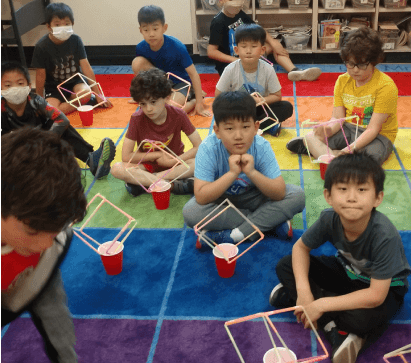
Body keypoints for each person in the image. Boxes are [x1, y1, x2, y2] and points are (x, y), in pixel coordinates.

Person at [1, 128, 107, 363]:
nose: (45, 245)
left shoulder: (50, 234)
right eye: (33, 232)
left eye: (57, 228)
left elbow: (51, 306)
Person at [270, 153, 411, 363]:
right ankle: (329, 324)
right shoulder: (329, 219)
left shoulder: (385, 235)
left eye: (362, 190)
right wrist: (304, 291)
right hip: (347, 273)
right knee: (285, 265)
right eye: (343, 189)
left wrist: (319, 305)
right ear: (328, 195)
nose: (352, 197)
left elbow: (375, 296)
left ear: (378, 198)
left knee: (359, 319)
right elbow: (300, 248)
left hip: (385, 289)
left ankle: (309, 306)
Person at [182, 91, 305, 244]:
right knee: (191, 212)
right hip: (221, 200)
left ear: (255, 127)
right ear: (217, 131)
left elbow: (279, 193)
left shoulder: (261, 146)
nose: (238, 135)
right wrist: (232, 173)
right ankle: (269, 222)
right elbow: (201, 196)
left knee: (297, 195)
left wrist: (251, 172)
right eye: (229, 129)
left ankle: (235, 235)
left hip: (255, 197)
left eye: (245, 127)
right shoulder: (208, 148)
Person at [286, 26, 397, 164]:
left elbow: (373, 129)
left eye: (362, 65)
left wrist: (347, 150)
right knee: (310, 137)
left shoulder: (386, 86)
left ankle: (329, 156)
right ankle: (335, 158)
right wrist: (328, 130)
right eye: (350, 64)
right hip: (348, 129)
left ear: (374, 62)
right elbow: (338, 118)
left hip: (379, 136)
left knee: (370, 160)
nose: (355, 70)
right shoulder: (342, 81)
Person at [1, 61, 115, 179]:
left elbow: (62, 119)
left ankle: (92, 160)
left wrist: (46, 140)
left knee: (56, 124)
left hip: (41, 145)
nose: (15, 89)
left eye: (20, 83)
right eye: (8, 85)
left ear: (29, 86)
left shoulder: (36, 101)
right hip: (17, 153)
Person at [206, 0, 321, 82]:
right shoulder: (218, 22)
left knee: (274, 46)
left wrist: (274, 43)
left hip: (246, 54)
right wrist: (235, 60)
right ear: (221, 0)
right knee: (259, 78)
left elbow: (258, 29)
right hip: (231, 65)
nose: (235, 2)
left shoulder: (239, 13)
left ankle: (295, 71)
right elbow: (211, 52)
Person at [110, 68, 201, 196]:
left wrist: (173, 161)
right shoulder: (137, 118)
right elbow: (126, 156)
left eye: (153, 102)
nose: (148, 109)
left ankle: (147, 182)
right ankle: (167, 183)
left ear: (167, 97)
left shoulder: (178, 114)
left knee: (198, 163)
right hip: (147, 165)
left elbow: (198, 146)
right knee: (116, 168)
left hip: (175, 164)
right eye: (143, 104)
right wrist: (157, 156)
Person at [31, 2, 112, 115]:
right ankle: (77, 103)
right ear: (48, 26)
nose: (63, 28)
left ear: (72, 24)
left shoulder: (76, 40)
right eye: (57, 25)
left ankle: (70, 103)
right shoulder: (41, 46)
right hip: (54, 88)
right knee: (49, 110)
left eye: (67, 24)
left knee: (86, 93)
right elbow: (40, 76)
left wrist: (98, 94)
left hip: (75, 83)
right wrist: (39, 102)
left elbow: (86, 68)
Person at [214, 23, 294, 137]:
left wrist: (260, 100)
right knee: (222, 112)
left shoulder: (268, 69)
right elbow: (218, 95)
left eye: (253, 46)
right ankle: (263, 126)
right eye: (244, 46)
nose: (248, 51)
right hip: (239, 110)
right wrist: (238, 101)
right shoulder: (230, 69)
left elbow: (277, 96)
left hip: (261, 109)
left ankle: (249, 128)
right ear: (236, 50)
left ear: (262, 50)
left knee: (286, 107)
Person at [133, 5, 211, 117]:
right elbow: (142, 73)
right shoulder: (140, 48)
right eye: (146, 30)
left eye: (155, 29)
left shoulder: (177, 46)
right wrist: (140, 93)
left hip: (181, 84)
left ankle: (193, 100)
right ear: (140, 30)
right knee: (137, 62)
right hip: (160, 83)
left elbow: (193, 74)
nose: (151, 34)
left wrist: (199, 103)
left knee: (168, 111)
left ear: (164, 28)